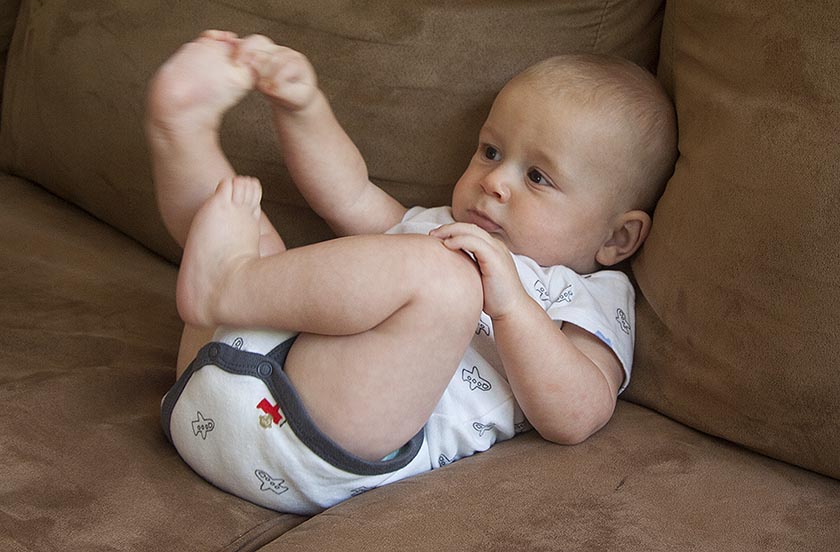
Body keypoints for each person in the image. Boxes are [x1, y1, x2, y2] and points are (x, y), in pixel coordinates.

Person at [147, 30, 677, 514]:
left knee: (446, 279)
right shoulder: (436, 225)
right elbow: (348, 192)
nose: (494, 181)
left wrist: (512, 306)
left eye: (537, 176)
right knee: (238, 214)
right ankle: (181, 132)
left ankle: (228, 283)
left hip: (320, 445)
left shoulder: (591, 295)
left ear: (616, 238)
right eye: (491, 151)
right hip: (218, 383)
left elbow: (578, 414)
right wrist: (303, 108)